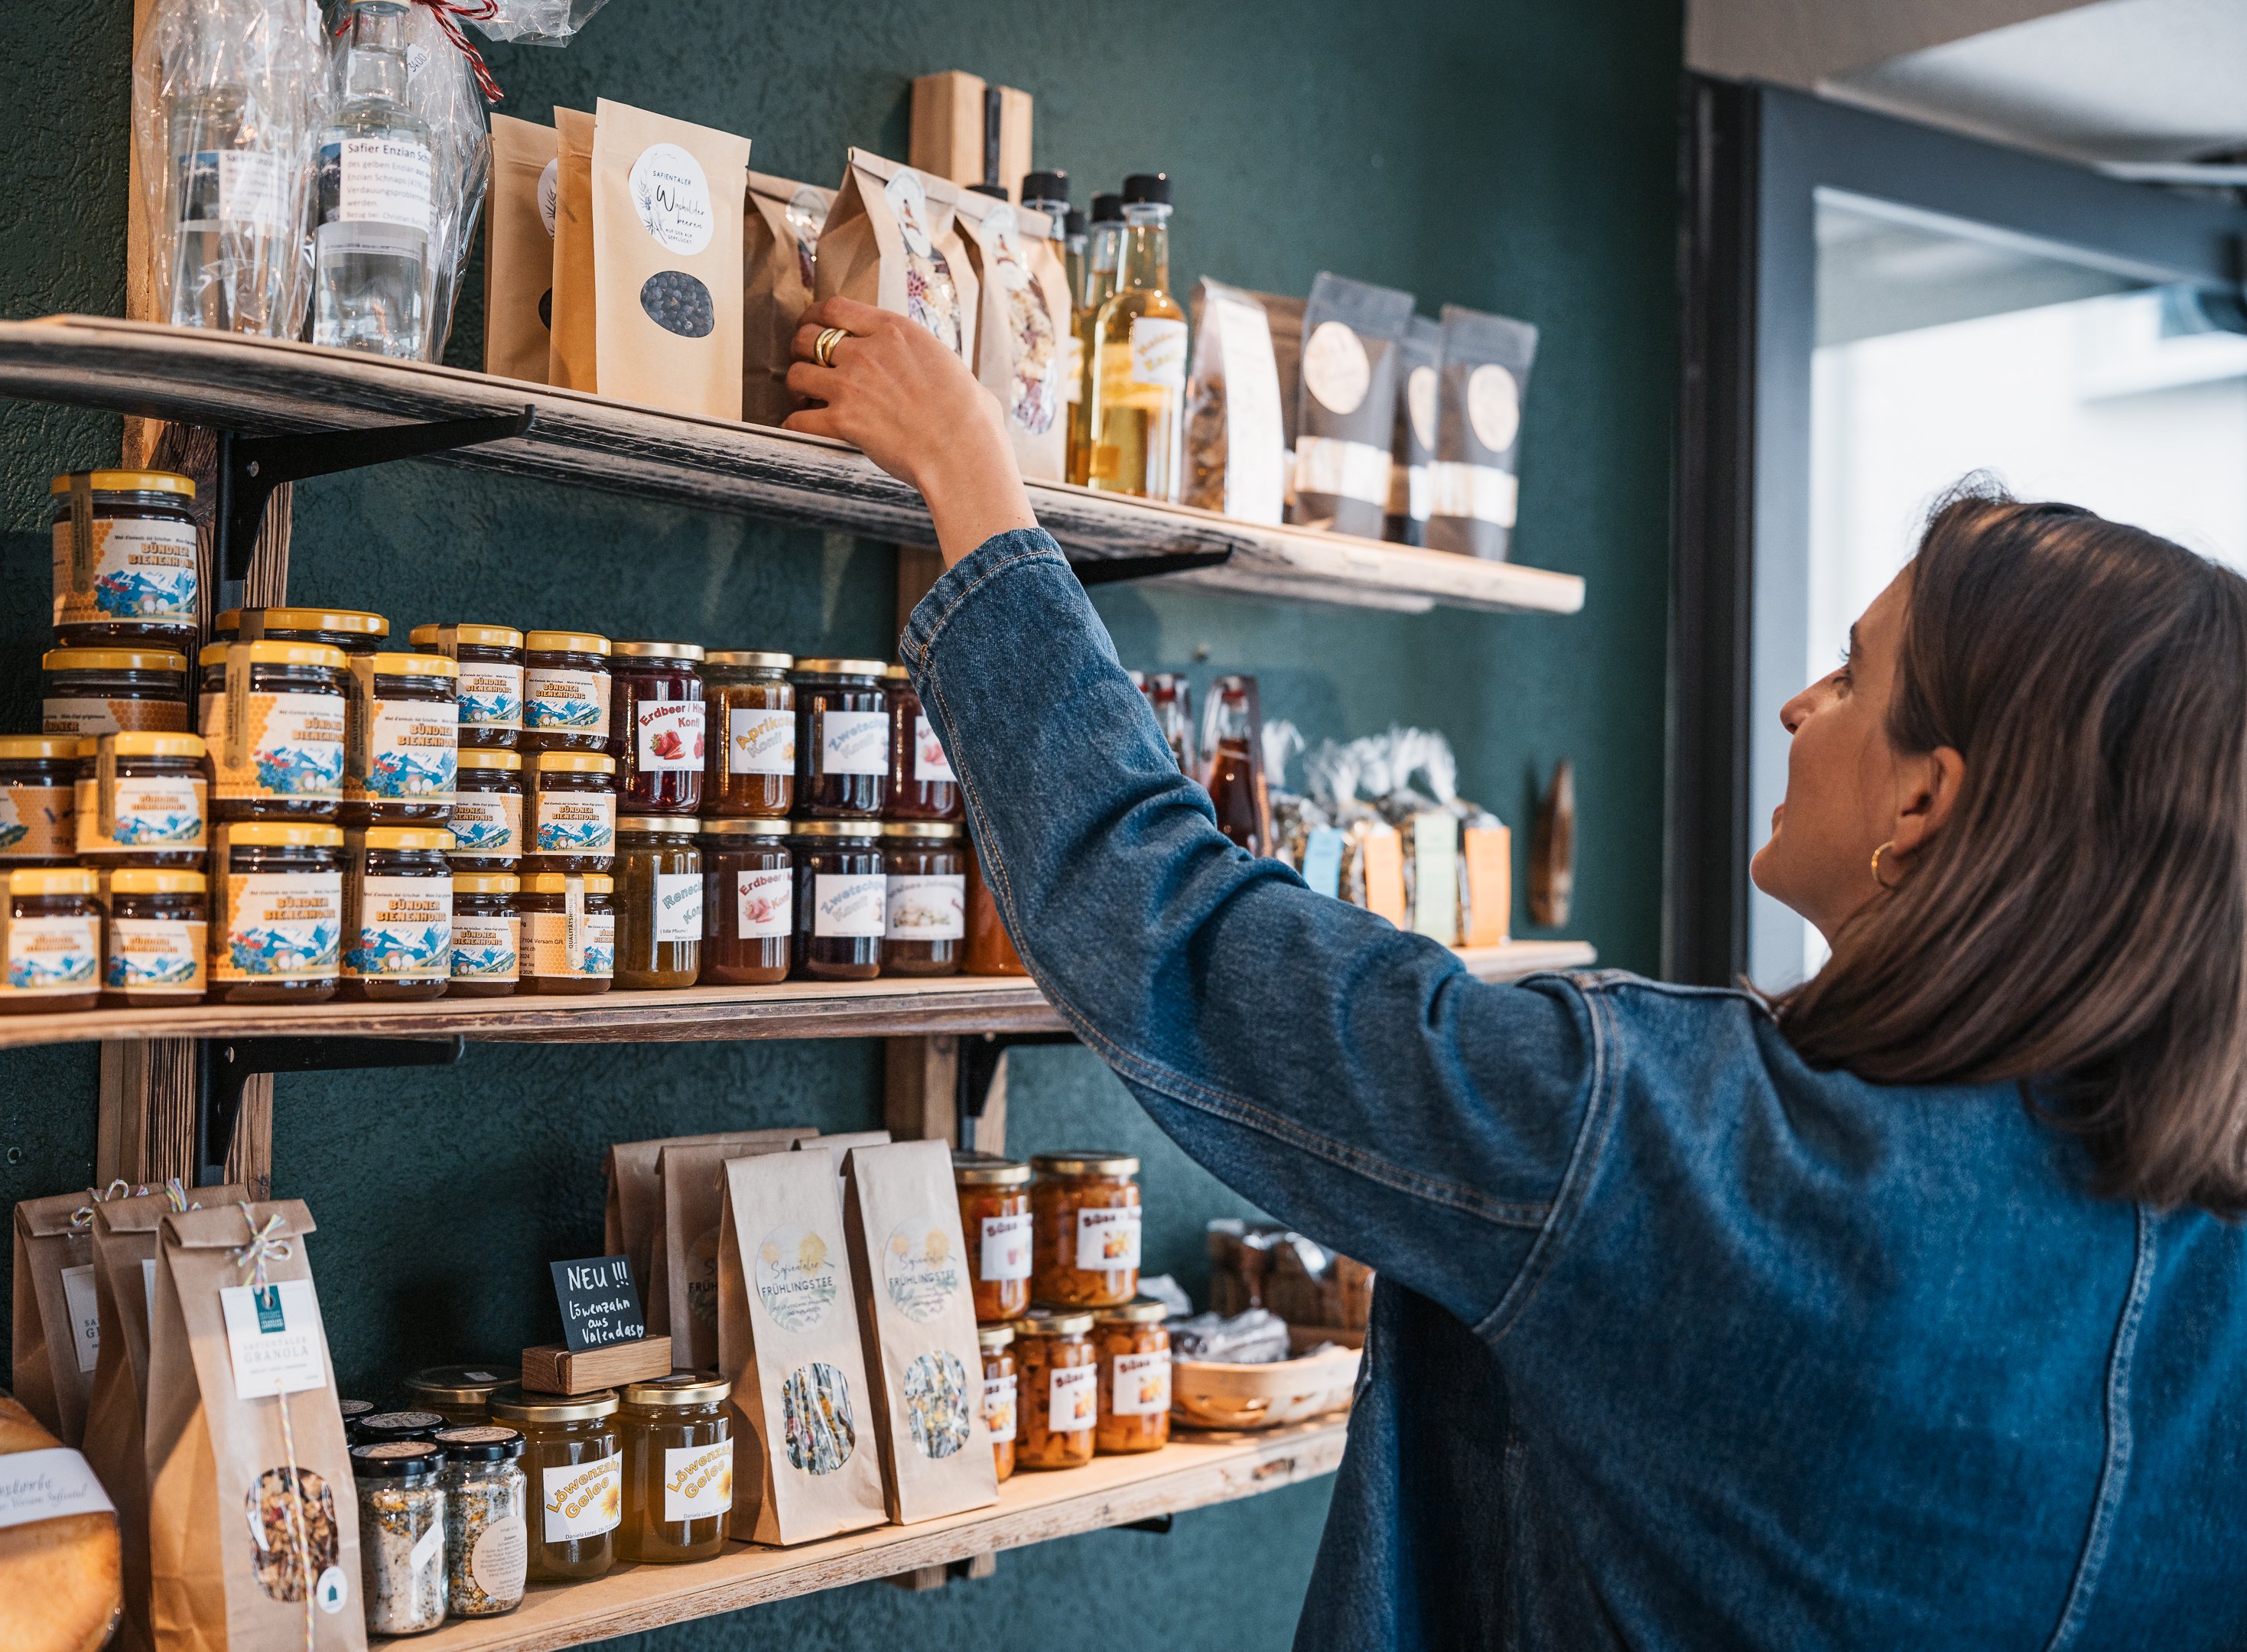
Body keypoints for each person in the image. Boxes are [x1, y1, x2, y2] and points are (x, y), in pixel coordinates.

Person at [785, 296, 2247, 1650]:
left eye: (1856, 679)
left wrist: (973, 482)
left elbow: (1176, 931)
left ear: (1927, 806)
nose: (1803, 705)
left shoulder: (1669, 1142)